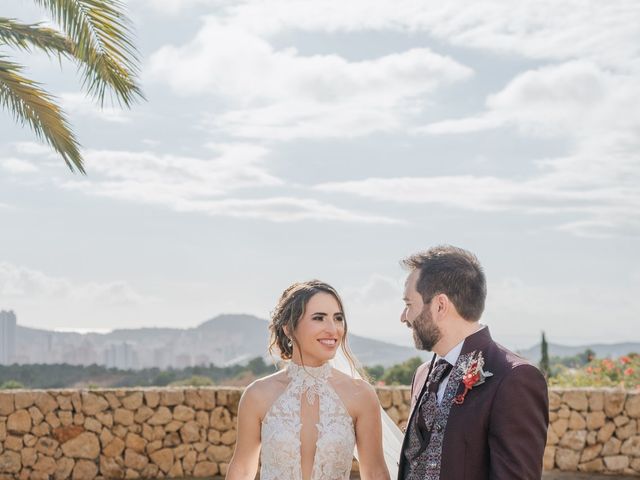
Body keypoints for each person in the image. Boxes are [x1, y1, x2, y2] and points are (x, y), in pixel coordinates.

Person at [398, 245, 548, 480]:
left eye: (409, 305)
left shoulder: (513, 378)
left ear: (440, 306)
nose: (404, 317)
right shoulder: (422, 374)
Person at [226, 280, 391, 480]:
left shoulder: (361, 394)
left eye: (338, 318)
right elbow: (242, 470)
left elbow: (375, 473)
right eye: (319, 318)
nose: (333, 329)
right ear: (288, 328)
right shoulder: (257, 394)